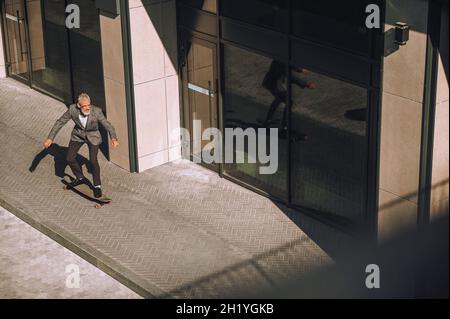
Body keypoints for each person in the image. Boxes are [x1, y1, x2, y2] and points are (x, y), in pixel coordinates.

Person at [43, 93, 119, 198]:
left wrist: (113, 138)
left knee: (93, 161)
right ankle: (80, 177)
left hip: (93, 137)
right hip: (78, 136)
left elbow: (107, 125)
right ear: (79, 105)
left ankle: (97, 186)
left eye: (89, 105)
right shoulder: (72, 110)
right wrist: (50, 138)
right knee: (69, 158)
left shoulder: (96, 111)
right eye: (85, 106)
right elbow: (60, 122)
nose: (88, 107)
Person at [261, 60, 316, 133]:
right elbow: (290, 77)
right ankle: (283, 125)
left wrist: (301, 70)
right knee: (288, 101)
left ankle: (268, 120)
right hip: (273, 83)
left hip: (273, 82)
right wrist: (306, 84)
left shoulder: (280, 59)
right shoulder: (280, 62)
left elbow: (289, 64)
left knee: (279, 99)